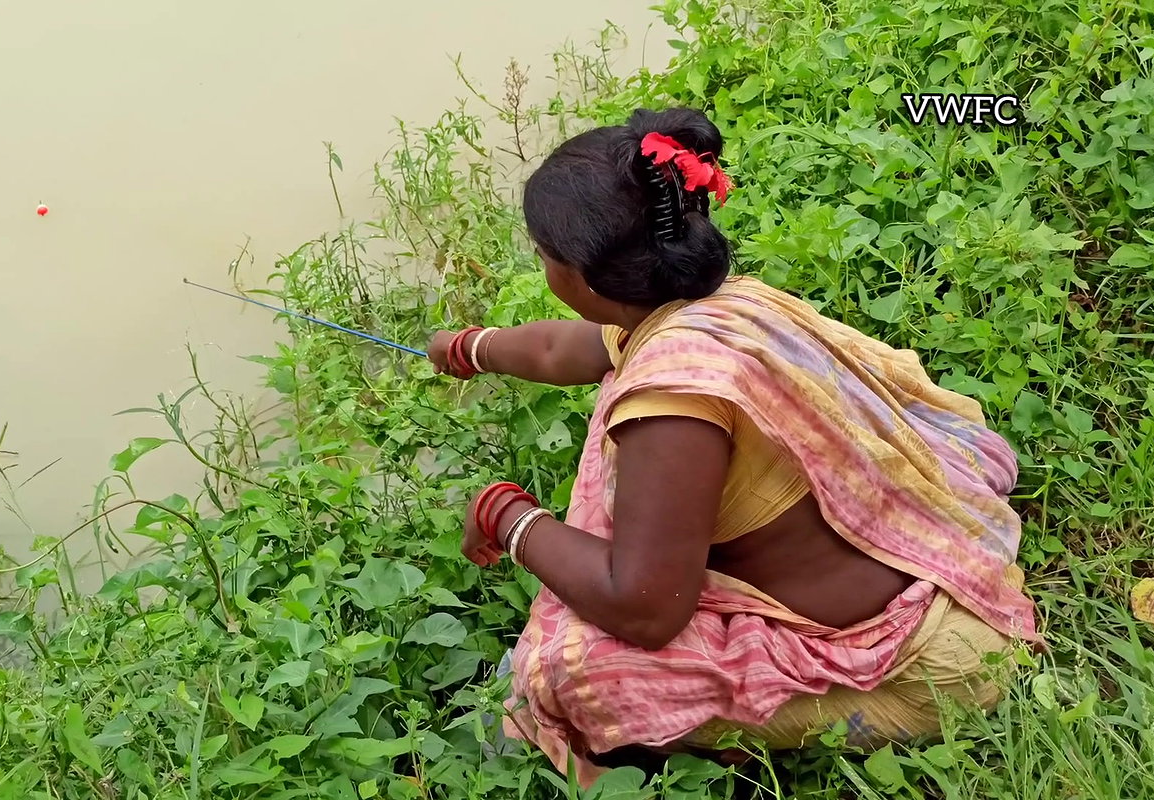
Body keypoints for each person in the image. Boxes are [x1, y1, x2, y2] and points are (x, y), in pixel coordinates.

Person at [425, 107, 1040, 787]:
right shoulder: (708, 305)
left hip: (932, 668)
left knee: (570, 668)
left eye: (543, 255)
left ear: (584, 279)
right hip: (924, 559)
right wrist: (472, 349)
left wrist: (510, 520)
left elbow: (646, 608)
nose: (541, 264)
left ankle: (715, 748)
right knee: (613, 404)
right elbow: (559, 346)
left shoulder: (672, 403)